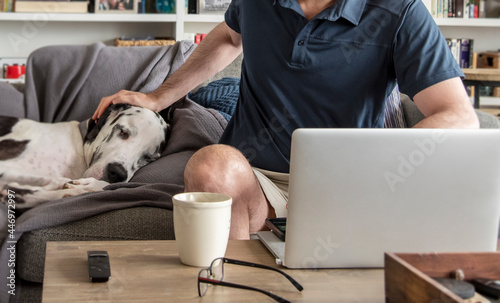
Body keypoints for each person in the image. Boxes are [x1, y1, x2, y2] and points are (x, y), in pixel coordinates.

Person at [93, 0, 479, 240]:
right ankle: (236, 283)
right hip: (256, 181)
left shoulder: (400, 11)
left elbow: (458, 116)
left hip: (348, 187)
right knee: (210, 164)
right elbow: (229, 38)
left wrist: (379, 170)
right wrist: (157, 97)